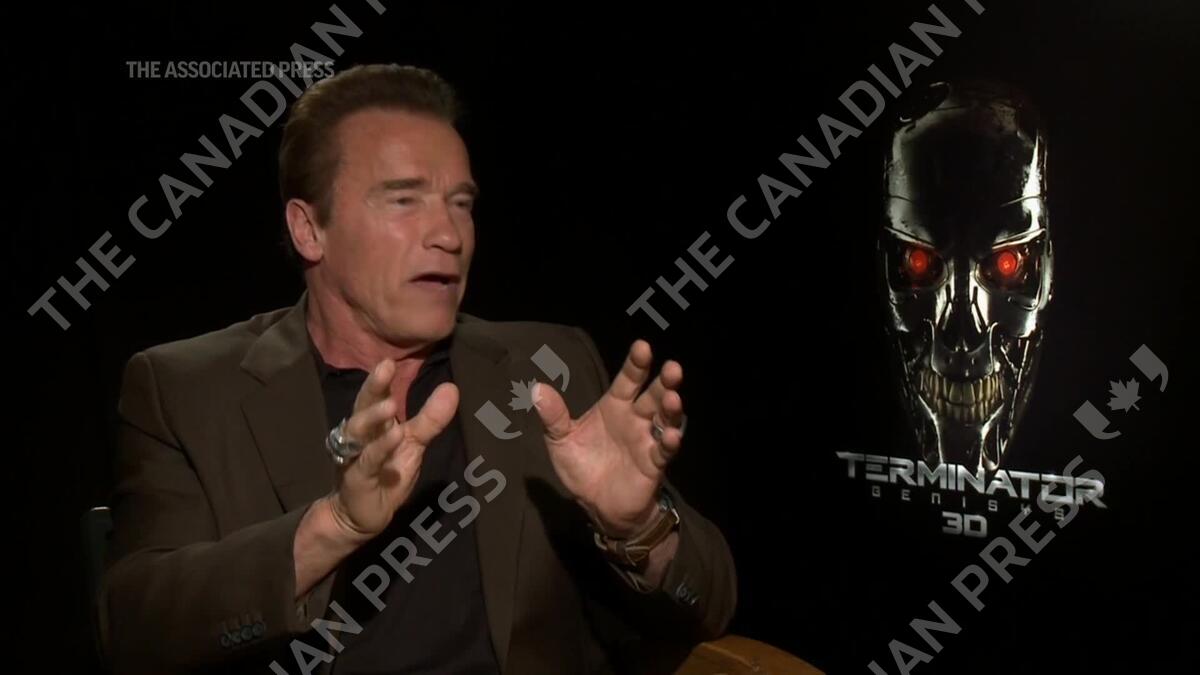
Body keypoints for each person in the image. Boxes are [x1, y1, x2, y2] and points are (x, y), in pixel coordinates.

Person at [98, 63, 737, 675]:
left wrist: (639, 528)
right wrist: (334, 527)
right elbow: (135, 633)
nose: (449, 235)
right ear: (308, 229)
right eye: (404, 200)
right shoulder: (187, 389)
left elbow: (709, 608)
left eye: (461, 204)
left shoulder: (549, 366)